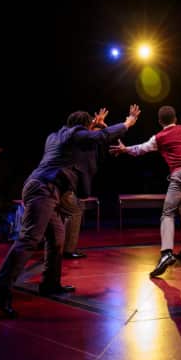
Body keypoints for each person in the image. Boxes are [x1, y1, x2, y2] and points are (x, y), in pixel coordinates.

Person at [0, 105, 140, 317]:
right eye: (88, 126)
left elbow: (86, 142)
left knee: (57, 237)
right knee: (29, 239)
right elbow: (99, 138)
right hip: (44, 189)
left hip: (43, 188)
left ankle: (50, 284)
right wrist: (127, 123)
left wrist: (92, 127)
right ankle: (1, 287)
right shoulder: (76, 134)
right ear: (84, 125)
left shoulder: (57, 136)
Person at [110, 102, 181, 277]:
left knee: (167, 213)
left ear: (160, 121)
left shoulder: (158, 137)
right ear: (176, 119)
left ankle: (166, 253)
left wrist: (124, 149)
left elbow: (139, 149)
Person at [62, 108, 110, 259]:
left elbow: (104, 136)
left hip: (74, 182)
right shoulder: (79, 138)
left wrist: (99, 124)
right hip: (68, 182)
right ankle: (67, 250)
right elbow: (102, 134)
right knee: (75, 212)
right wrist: (99, 125)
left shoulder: (78, 137)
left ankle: (63, 248)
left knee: (69, 213)